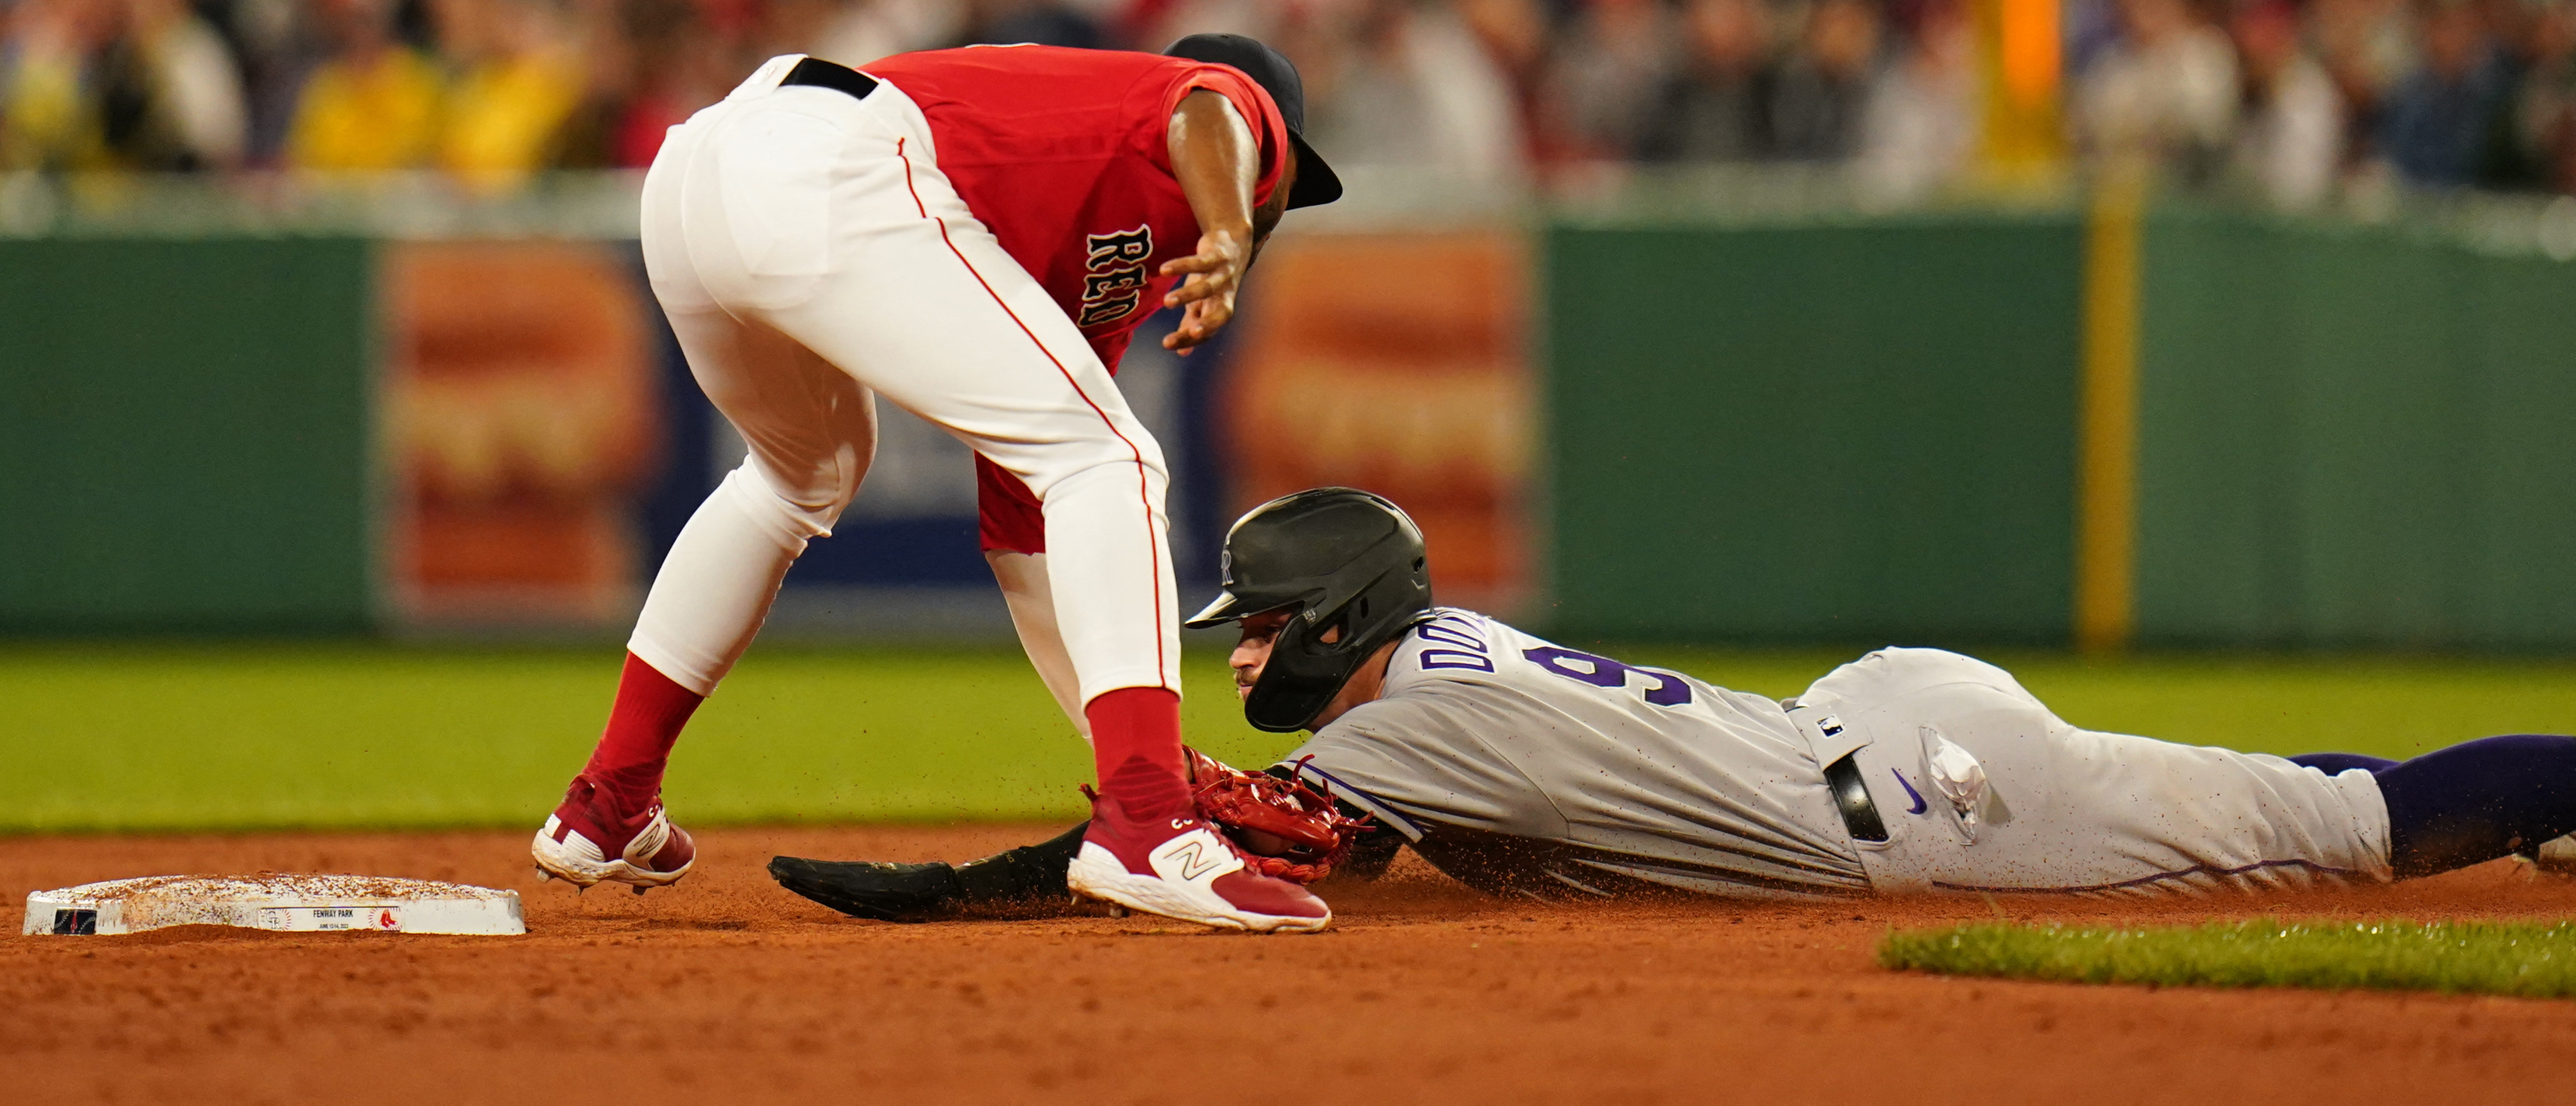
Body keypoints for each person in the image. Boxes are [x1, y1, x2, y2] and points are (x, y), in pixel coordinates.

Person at [773, 488, 2576, 917]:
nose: (1240, 659)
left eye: (1260, 628)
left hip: (1938, 801)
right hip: (1881, 726)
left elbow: (1223, 848)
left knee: (2340, 838)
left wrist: (938, 892)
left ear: (1338, 617)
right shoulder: (1437, 658)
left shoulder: (1392, 723)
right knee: (2282, 794)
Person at [534, 34, 1346, 936]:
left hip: (703, 183)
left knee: (807, 472)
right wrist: (1233, 225)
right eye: (1282, 187)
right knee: (1111, 458)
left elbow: (1030, 530)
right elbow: (1216, 104)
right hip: (818, 159)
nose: (1278, 209)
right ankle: (1150, 826)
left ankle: (608, 798)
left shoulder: (1101, 275)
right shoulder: (1203, 120)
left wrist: (1149, 757)